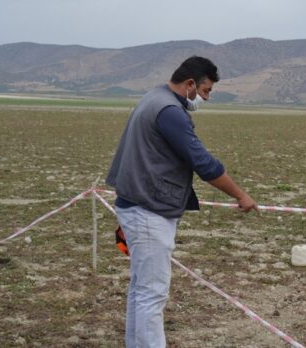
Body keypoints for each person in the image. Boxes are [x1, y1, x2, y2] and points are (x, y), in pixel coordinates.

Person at [106, 56, 258, 348]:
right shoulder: (170, 111)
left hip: (135, 204)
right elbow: (204, 164)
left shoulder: (153, 97)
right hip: (149, 210)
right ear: (190, 84)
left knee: (141, 289)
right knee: (152, 293)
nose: (206, 98)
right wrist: (241, 196)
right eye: (205, 91)